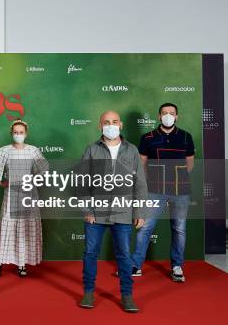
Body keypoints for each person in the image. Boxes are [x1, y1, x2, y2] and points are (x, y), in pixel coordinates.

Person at [78, 110, 147, 313]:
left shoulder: (132, 150)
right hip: (96, 214)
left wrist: (140, 212)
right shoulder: (91, 149)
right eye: (106, 122)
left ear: (121, 124)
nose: (111, 125)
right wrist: (87, 209)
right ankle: (88, 292)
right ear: (100, 126)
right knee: (90, 253)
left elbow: (140, 184)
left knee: (124, 255)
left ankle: (127, 296)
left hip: (124, 213)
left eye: (114, 121)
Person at [129, 103, 194, 282]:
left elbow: (190, 164)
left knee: (179, 228)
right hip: (154, 190)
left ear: (177, 116)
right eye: (164, 113)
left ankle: (177, 266)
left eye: (171, 113)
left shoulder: (186, 137)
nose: (168, 116)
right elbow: (142, 165)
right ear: (159, 116)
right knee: (145, 227)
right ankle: (136, 265)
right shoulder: (147, 137)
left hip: (180, 190)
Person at [0, 119, 48, 279]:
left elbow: (44, 171)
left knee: (25, 229)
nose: (18, 135)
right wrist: (1, 182)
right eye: (15, 132)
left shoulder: (34, 151)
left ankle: (21, 264)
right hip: (11, 195)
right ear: (11, 134)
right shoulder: (5, 151)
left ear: (26, 134)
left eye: (21, 132)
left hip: (29, 195)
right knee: (7, 227)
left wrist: (33, 181)